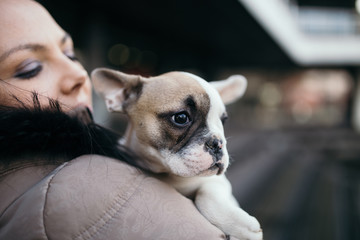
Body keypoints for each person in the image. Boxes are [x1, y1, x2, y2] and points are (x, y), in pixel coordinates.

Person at [0, 0, 236, 239]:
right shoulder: (109, 198)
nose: (80, 74)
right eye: (29, 68)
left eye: (71, 54)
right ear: (119, 97)